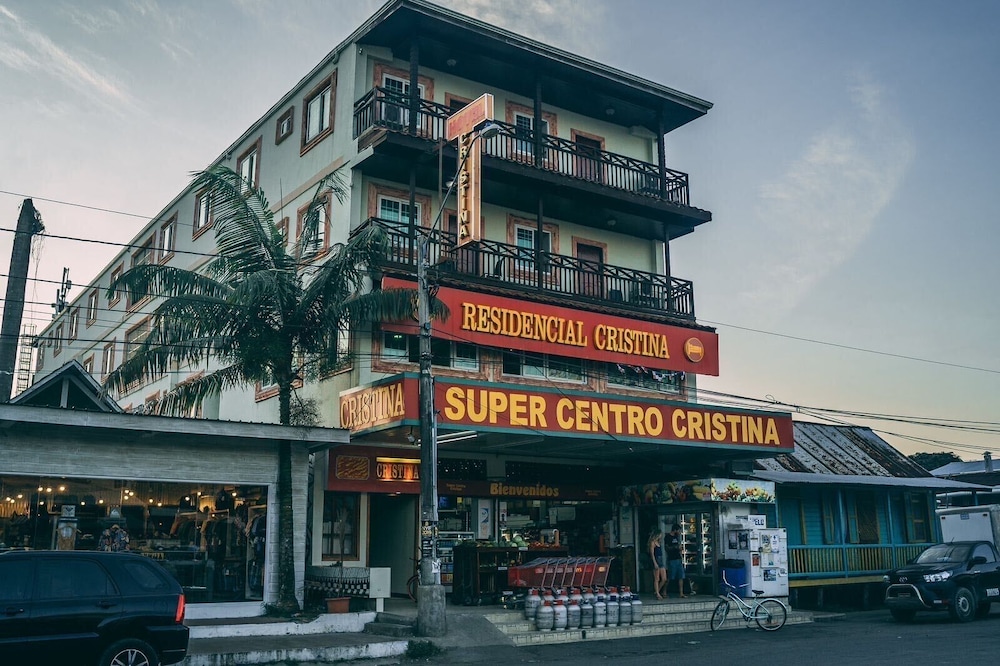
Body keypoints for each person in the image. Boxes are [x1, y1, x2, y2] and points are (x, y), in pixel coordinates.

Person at [665, 523, 685, 598]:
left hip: (678, 558)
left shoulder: (677, 537)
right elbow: (667, 548)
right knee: (670, 576)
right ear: (675, 530)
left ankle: (681, 593)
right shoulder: (668, 537)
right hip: (672, 559)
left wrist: (680, 551)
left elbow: (679, 546)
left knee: (681, 576)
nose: (679, 532)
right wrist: (675, 547)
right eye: (679, 530)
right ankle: (664, 591)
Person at [648, 531, 666, 599]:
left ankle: (657, 590)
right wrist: (655, 563)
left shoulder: (659, 542)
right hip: (656, 559)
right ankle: (657, 593)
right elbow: (652, 554)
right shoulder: (652, 543)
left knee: (664, 578)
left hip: (660, 560)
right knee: (657, 578)